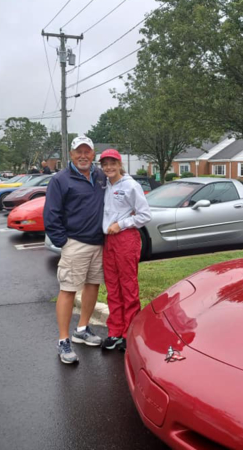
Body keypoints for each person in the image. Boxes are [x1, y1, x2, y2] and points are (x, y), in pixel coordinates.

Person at [44, 136, 107, 364]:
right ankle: (63, 340)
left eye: (87, 151)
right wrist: (63, 241)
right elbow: (51, 213)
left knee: (92, 286)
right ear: (70, 154)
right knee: (69, 290)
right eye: (78, 151)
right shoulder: (60, 179)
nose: (83, 156)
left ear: (93, 154)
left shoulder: (100, 176)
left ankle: (82, 329)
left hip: (98, 243)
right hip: (75, 244)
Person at [99, 149, 151, 352]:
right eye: (105, 164)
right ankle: (114, 331)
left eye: (113, 163)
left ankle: (129, 331)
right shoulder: (105, 185)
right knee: (113, 287)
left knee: (128, 286)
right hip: (108, 241)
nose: (109, 167)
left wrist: (121, 224)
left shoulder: (130, 185)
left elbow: (145, 215)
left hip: (125, 239)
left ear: (120, 164)